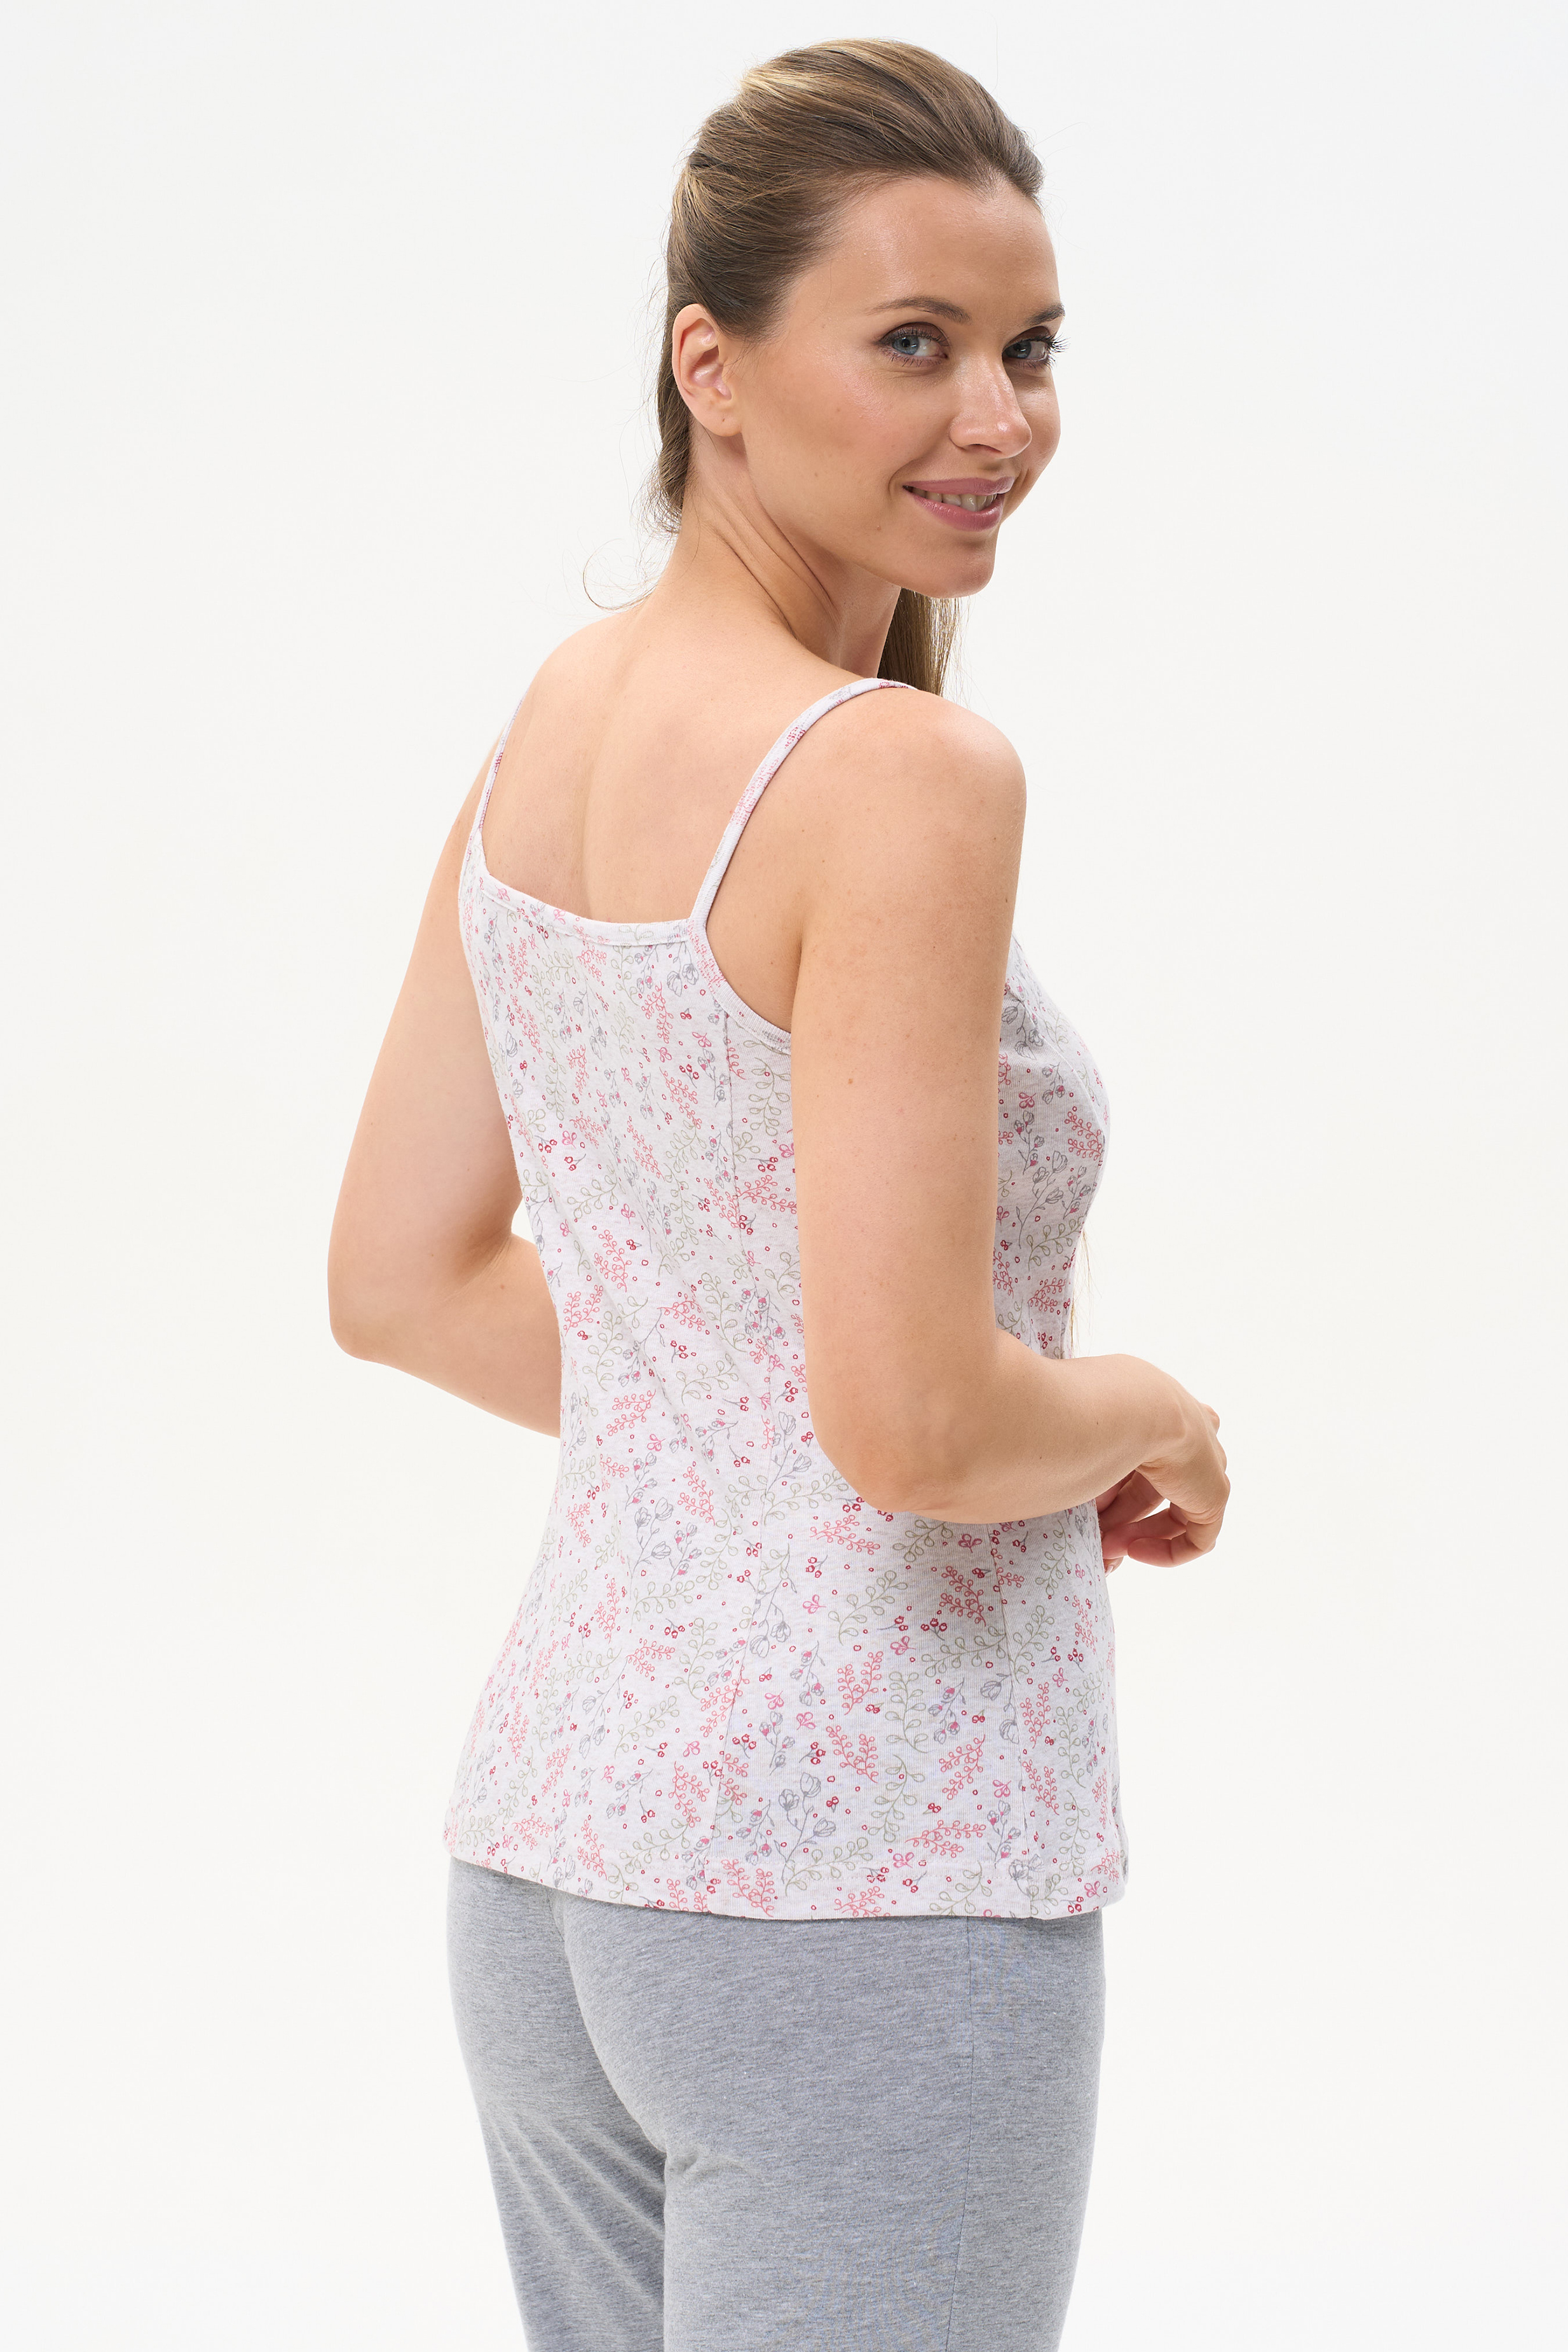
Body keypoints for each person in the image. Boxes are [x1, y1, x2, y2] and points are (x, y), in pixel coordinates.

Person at [329, 37, 1228, 2352]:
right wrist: (1141, 1410)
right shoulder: (901, 778)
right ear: (707, 369)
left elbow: (398, 1276)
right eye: (912, 343)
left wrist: (761, 1392)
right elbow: (914, 1423)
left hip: (558, 1861)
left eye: (1029, 347)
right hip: (863, 1880)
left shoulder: (555, 721)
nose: (996, 418)